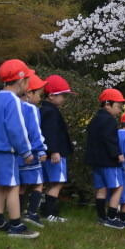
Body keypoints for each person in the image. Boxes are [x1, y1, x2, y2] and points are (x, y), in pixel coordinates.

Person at [0, 59, 38, 239]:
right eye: (27, 79)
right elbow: (16, 128)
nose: (28, 84)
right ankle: (16, 224)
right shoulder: (13, 101)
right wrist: (26, 151)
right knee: (13, 185)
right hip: (5, 150)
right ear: (20, 81)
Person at [85, 88, 125, 229]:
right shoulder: (109, 120)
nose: (119, 110)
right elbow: (110, 140)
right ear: (107, 104)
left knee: (101, 189)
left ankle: (101, 217)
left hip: (95, 160)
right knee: (118, 187)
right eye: (118, 106)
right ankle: (111, 217)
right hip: (109, 161)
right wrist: (117, 154)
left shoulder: (94, 119)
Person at [39, 75, 75, 222]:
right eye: (63, 95)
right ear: (52, 95)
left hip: (47, 153)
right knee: (57, 182)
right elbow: (51, 132)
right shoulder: (51, 112)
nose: (64, 99)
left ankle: (46, 211)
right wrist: (54, 151)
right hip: (54, 154)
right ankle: (50, 213)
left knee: (50, 182)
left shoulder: (43, 110)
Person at [18, 73, 48, 228]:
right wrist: (41, 150)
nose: (40, 98)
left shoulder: (14, 105)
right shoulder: (31, 109)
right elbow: (35, 131)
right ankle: (31, 213)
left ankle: (17, 211)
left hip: (16, 153)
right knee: (38, 183)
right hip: (31, 152)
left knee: (21, 184)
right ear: (29, 93)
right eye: (39, 94)